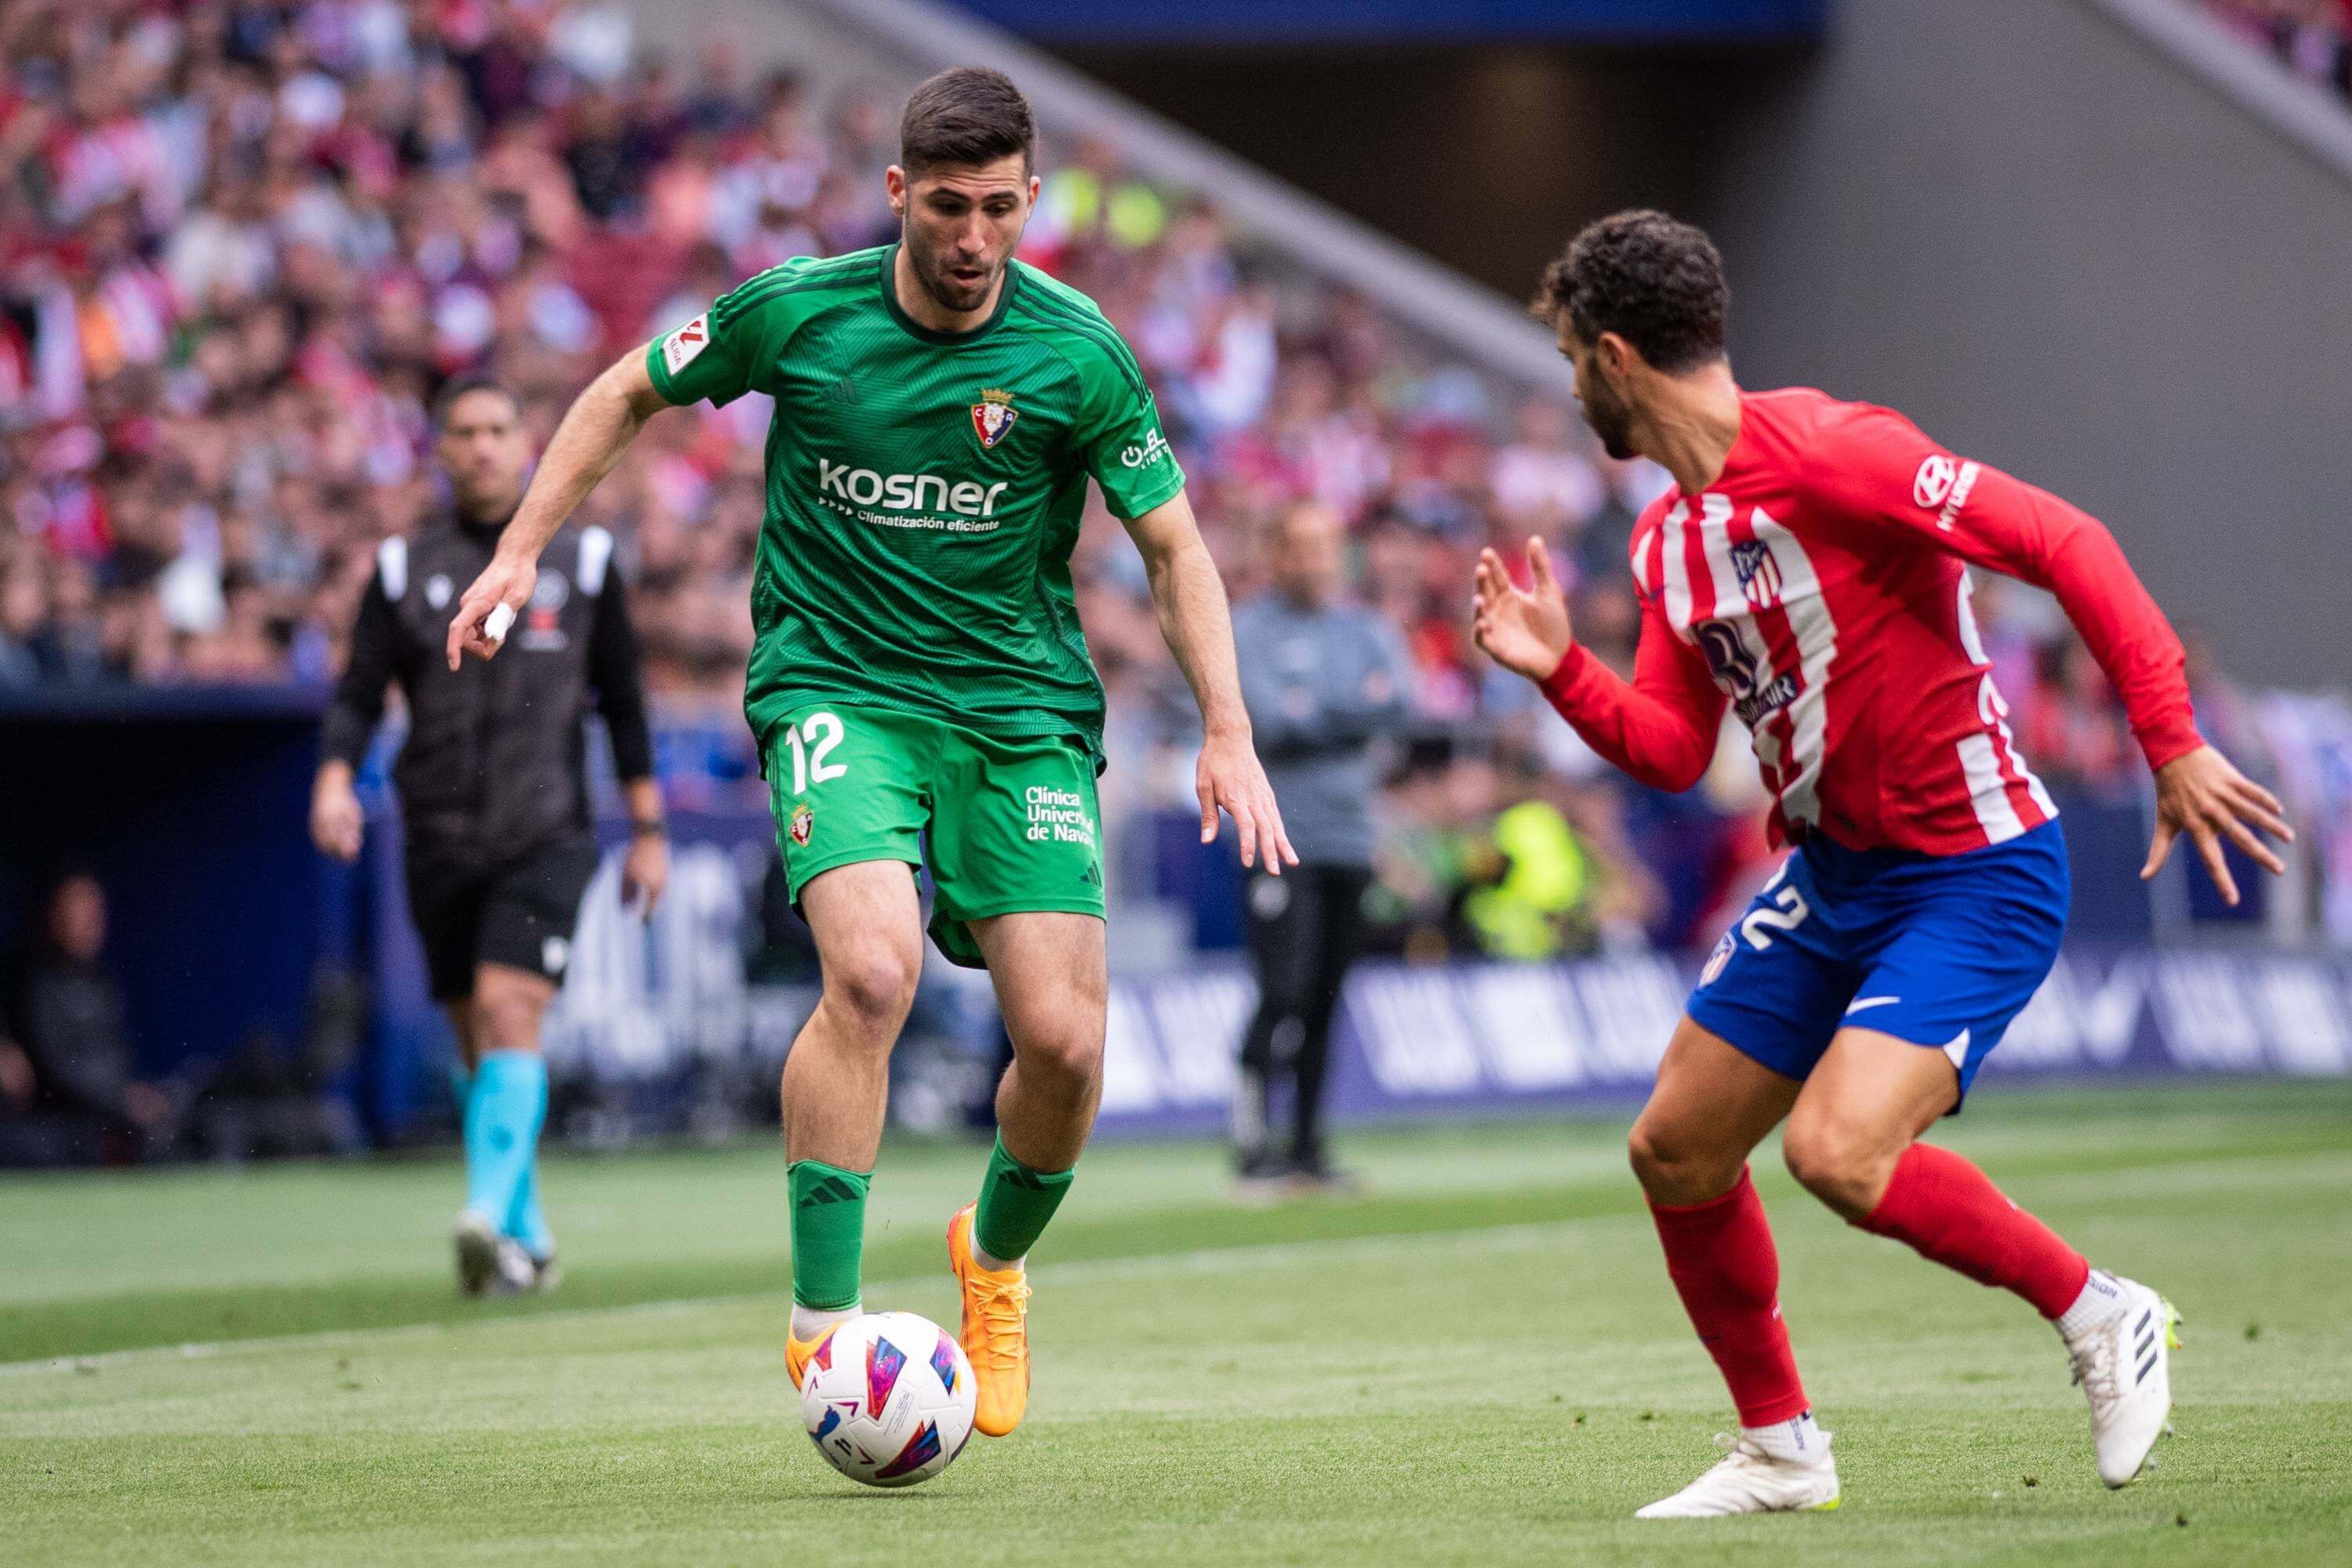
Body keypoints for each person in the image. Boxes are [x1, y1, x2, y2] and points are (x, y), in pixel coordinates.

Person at [441, 67, 1292, 1444]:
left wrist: (1228, 729)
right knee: (873, 967)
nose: (972, 239)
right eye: (947, 207)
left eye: (1000, 210)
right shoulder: (800, 311)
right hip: (838, 687)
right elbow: (623, 390)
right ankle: (822, 1323)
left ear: (1031, 203)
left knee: (1068, 1045)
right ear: (899, 194)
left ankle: (994, 1265)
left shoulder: (1077, 354)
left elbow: (1174, 544)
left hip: (1020, 718)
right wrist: (521, 547)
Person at [1472, 211, 2292, 1515]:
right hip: (1834, 878)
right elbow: (1678, 749)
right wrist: (1561, 668)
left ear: (1616, 358)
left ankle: (2102, 1310)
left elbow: (2065, 542)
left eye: (1573, 358)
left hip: (1976, 867)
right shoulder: (1665, 543)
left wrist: (2172, 742)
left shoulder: (1842, 455)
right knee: (1676, 1150)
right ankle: (1782, 1451)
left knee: (1838, 1154)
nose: (1570, 386)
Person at [315, 379, 670, 1297]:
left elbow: (625, 703)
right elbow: (357, 694)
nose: (481, 447)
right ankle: (527, 1235)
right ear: (439, 449)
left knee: (514, 1013)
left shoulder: (584, 559)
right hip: (435, 832)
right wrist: (332, 782)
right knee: (480, 1044)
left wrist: (648, 828)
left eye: (497, 430)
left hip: (545, 830)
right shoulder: (402, 566)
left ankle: (478, 1215)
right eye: (463, 432)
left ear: (528, 443)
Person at [1231, 499, 1412, 1186]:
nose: (1315, 561)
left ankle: (1307, 1144)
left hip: (1351, 838)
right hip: (1277, 835)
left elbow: (1400, 703)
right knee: (1282, 990)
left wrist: (1320, 712)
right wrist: (1350, 713)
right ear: (1276, 553)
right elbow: (1272, 721)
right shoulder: (1248, 630)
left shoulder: (1364, 627)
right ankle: (1252, 1137)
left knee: (1328, 997)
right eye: (1301, 547)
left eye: (1325, 547)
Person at [5, 872, 180, 1163]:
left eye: (96, 912)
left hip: (108, 1117)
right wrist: (122, 1102)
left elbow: (116, 1058)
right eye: (78, 911)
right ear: (53, 915)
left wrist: (136, 1097)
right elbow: (58, 1068)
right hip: (59, 1125)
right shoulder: (31, 983)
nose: (91, 922)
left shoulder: (102, 982)